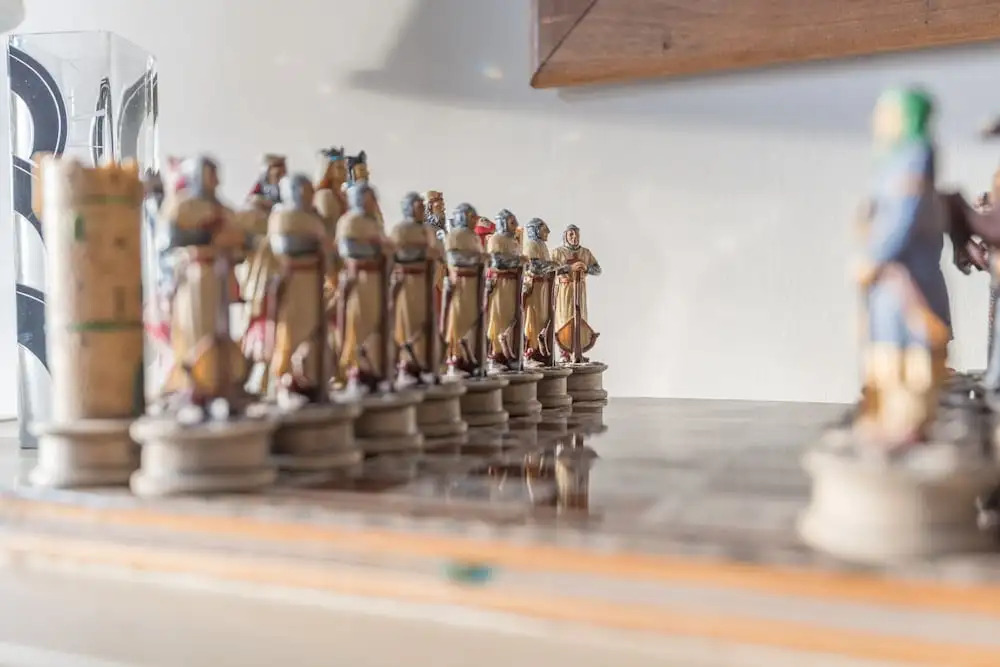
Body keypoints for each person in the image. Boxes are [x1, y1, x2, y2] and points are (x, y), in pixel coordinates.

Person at [853, 87, 950, 447]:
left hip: (906, 280)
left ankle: (907, 425)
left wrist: (874, 257)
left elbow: (901, 219)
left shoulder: (914, 156)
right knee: (887, 350)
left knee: (909, 351)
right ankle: (893, 421)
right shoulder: (893, 160)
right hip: (891, 283)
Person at [335, 183, 391, 391]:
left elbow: (386, 248)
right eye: (370, 199)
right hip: (359, 279)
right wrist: (377, 248)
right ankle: (357, 367)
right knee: (359, 322)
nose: (373, 203)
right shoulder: (350, 222)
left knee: (376, 323)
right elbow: (350, 249)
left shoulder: (374, 223)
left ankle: (374, 367)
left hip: (376, 279)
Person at [391, 192, 439, 381]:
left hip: (424, 282)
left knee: (424, 322)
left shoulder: (427, 230)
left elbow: (438, 252)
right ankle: (408, 362)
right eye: (418, 206)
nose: (422, 210)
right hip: (408, 282)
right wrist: (422, 253)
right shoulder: (400, 230)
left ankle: (423, 362)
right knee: (408, 321)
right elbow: (396, 253)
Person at [442, 204, 486, 374]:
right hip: (460, 282)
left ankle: (469, 356)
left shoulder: (473, 237)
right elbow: (453, 257)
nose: (475, 220)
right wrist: (477, 258)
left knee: (472, 320)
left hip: (474, 284)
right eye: (471, 217)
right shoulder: (455, 235)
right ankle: (457, 356)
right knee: (459, 319)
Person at [551, 224, 601, 362]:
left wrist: (587, 268)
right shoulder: (557, 252)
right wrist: (569, 268)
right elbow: (551, 270)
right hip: (565, 290)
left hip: (580, 289)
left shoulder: (585, 252)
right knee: (565, 318)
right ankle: (564, 353)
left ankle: (578, 349)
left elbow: (598, 270)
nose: (574, 237)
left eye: (576, 234)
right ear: (565, 236)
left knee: (580, 318)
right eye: (571, 234)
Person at [485, 209, 525, 366]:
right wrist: (517, 261)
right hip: (501, 285)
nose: (516, 225)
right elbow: (496, 262)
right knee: (499, 317)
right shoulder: (496, 239)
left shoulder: (514, 242)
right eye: (512, 222)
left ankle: (510, 352)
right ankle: (497, 352)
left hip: (514, 284)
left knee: (512, 317)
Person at [522, 218, 557, 364]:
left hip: (544, 287)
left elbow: (548, 266)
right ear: (535, 230)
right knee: (533, 319)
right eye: (544, 229)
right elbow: (534, 267)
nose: (547, 231)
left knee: (543, 319)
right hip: (535, 287)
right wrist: (552, 265)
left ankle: (540, 351)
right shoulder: (531, 245)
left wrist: (555, 267)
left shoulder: (542, 245)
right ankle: (531, 351)